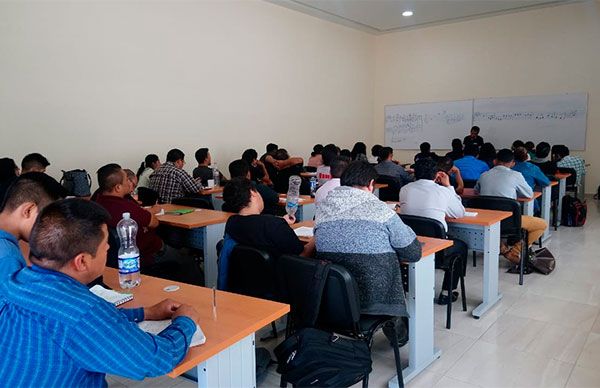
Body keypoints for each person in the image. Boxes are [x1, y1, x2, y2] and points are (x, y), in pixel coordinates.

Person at [0, 199, 200, 386]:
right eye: (105, 245)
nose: (109, 248)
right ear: (82, 261)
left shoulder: (16, 281)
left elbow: (91, 321)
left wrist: (147, 312)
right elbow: (156, 359)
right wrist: (186, 321)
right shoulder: (80, 311)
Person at [315, 161, 421, 318]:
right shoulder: (381, 210)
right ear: (371, 184)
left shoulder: (322, 209)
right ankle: (397, 328)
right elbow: (413, 253)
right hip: (377, 299)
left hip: (334, 297)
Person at [399, 158, 468, 304]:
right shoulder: (442, 191)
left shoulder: (405, 189)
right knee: (461, 246)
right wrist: (449, 186)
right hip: (438, 250)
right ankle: (447, 292)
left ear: (414, 173)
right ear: (437, 175)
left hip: (410, 244)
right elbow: (459, 213)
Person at [475, 149, 548, 263]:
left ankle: (502, 247)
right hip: (509, 222)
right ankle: (514, 252)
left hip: (488, 219)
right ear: (513, 163)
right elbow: (529, 194)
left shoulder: (484, 175)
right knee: (542, 225)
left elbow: (476, 191)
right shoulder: (516, 175)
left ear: (495, 161)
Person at [0, 173, 65, 296]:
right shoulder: (7, 257)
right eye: (48, 219)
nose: (50, 229)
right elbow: (12, 308)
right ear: (28, 210)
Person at [222, 177, 314, 258]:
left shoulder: (232, 223)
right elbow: (301, 255)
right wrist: (317, 237)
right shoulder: (273, 225)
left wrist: (282, 222)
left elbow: (256, 227)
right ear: (252, 193)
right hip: (279, 275)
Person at [512, 147, 550, 213]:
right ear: (527, 157)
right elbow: (546, 182)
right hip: (526, 201)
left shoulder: (509, 167)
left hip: (509, 201)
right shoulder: (532, 167)